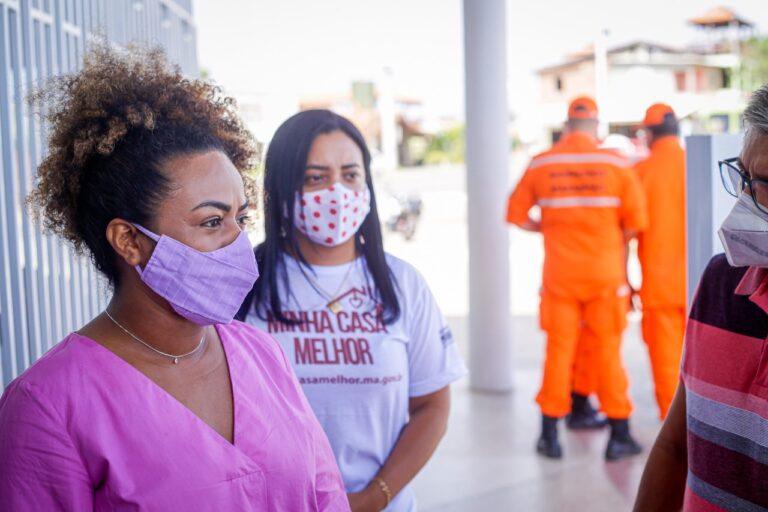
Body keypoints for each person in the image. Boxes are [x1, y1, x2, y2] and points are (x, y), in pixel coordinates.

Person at [0, 46, 348, 511]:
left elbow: (326, 495)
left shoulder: (259, 353)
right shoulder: (47, 405)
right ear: (129, 241)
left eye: (239, 219)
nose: (237, 243)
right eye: (210, 222)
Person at [238, 109, 467, 511]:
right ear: (280, 185)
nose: (337, 192)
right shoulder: (244, 285)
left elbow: (432, 405)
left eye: (350, 174)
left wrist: (371, 498)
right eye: (315, 177)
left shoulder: (403, 284)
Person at [634, 84, 768, 512]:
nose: (744, 202)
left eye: (762, 183)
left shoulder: (637, 169)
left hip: (648, 286)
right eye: (741, 177)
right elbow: (679, 443)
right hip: (685, 293)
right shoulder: (720, 278)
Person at [506, 96, 648, 460]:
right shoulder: (614, 162)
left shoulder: (543, 162)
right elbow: (635, 224)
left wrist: (546, 228)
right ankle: (619, 435)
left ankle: (549, 435)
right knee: (608, 354)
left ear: (567, 126)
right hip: (604, 277)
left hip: (560, 276)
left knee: (557, 353)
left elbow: (515, 214)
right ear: (596, 126)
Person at [635, 103, 687, 420]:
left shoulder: (640, 172)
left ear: (650, 134)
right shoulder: (699, 164)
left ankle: (675, 432)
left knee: (667, 365)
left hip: (659, 287)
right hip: (700, 283)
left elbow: (624, 231)